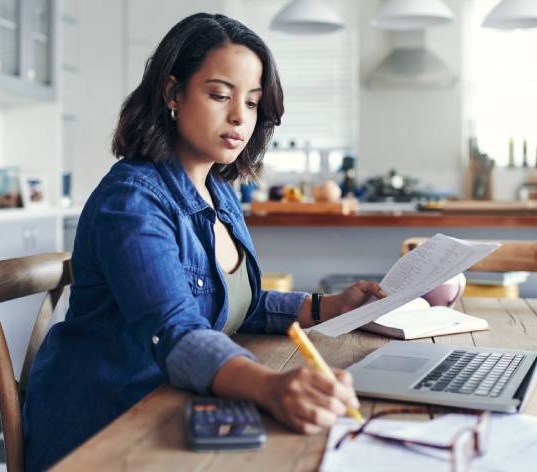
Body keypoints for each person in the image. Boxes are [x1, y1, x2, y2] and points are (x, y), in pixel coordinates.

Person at [22, 12, 385, 470]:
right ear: (173, 93)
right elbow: (177, 330)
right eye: (219, 95)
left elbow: (237, 304)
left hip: (173, 408)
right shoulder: (132, 201)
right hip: (108, 428)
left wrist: (329, 307)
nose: (239, 116)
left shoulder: (219, 191)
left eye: (252, 103)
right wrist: (271, 385)